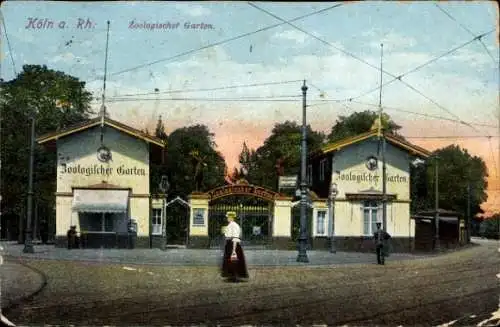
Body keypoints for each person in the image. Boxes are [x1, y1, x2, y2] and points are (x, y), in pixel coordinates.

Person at [221, 211, 249, 282]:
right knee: (230, 261)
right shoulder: (230, 225)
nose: (227, 218)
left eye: (228, 217)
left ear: (231, 217)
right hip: (229, 244)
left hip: (233, 244)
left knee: (234, 261)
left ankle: (235, 277)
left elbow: (235, 238)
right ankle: (231, 276)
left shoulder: (234, 225)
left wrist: (234, 250)